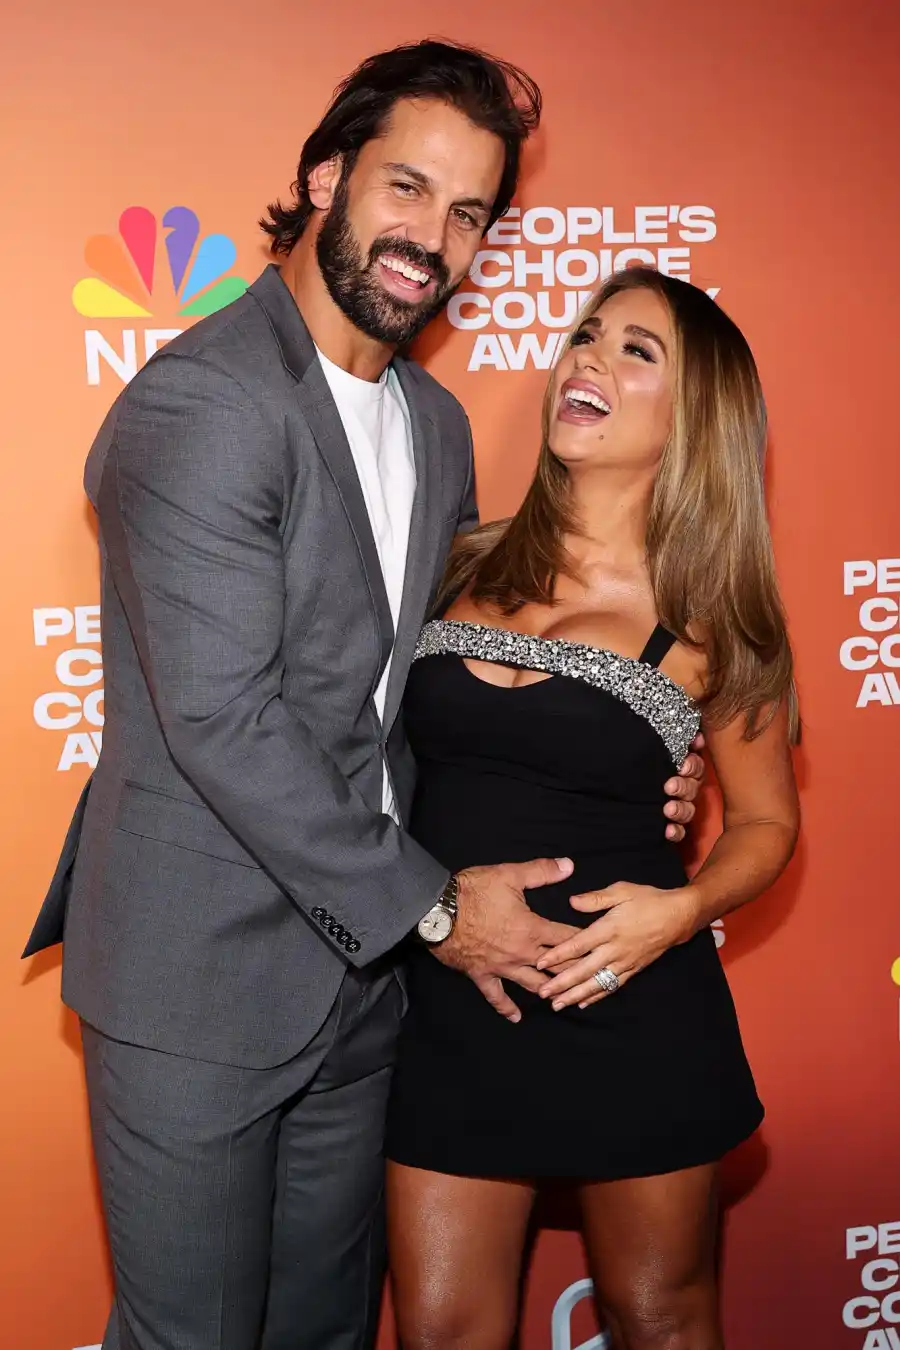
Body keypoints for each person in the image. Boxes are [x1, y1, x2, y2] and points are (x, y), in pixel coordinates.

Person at [22, 42, 704, 1350]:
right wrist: (438, 908)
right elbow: (223, 720)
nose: (431, 239)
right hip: (200, 980)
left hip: (365, 985)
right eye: (407, 187)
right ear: (327, 177)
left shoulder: (434, 424)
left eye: (469, 213)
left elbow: (450, 673)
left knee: (326, 1327)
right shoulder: (209, 403)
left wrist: (650, 742)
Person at [385, 266, 801, 1350]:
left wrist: (682, 910)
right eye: (587, 335)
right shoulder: (453, 557)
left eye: (635, 352)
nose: (589, 359)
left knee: (659, 1319)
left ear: (693, 415)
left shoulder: (717, 618)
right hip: (452, 995)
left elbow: (767, 823)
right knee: (441, 1331)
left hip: (631, 998)